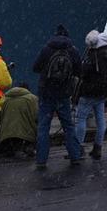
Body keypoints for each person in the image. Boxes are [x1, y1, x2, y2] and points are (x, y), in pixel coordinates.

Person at [32, 24, 83, 168]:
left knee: (43, 127)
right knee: (68, 126)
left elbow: (35, 68)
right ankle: (75, 156)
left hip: (46, 93)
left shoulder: (47, 49)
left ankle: (41, 160)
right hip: (63, 94)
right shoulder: (73, 50)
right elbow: (79, 72)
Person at [73, 30, 107, 160]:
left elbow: (83, 72)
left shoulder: (94, 55)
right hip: (103, 92)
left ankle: (78, 148)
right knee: (101, 120)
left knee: (80, 119)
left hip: (88, 92)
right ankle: (98, 147)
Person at [0, 86, 39, 157]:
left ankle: (14, 150)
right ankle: (27, 148)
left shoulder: (4, 99)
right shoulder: (32, 98)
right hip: (26, 134)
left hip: (6, 135)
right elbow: (37, 116)